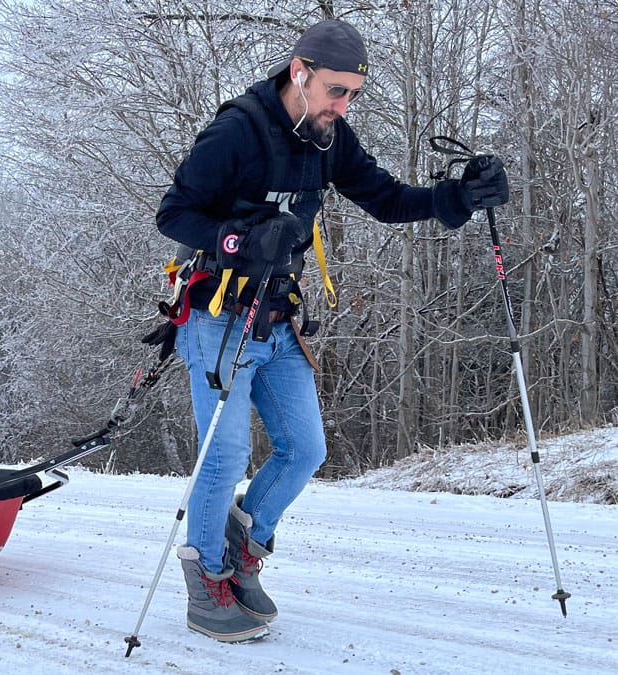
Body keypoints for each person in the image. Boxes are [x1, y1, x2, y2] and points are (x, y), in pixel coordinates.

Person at [154, 19, 509, 642]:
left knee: (305, 449)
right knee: (227, 454)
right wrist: (237, 239)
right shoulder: (237, 130)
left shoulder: (328, 138)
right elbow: (174, 213)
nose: (343, 106)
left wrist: (459, 198)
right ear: (301, 73)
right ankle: (205, 578)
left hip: (276, 318)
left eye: (352, 95)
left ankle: (243, 545)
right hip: (216, 315)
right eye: (335, 91)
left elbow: (389, 200)